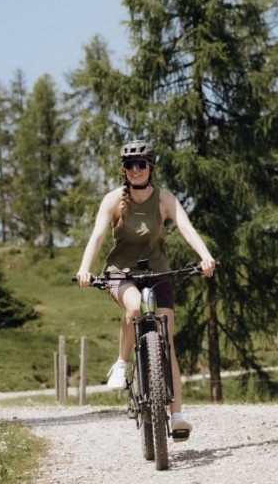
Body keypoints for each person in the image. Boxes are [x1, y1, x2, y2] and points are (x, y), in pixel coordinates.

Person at [76, 139, 216, 437]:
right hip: (120, 273)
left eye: (141, 164)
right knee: (136, 306)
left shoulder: (165, 199)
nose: (135, 170)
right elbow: (98, 236)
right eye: (130, 165)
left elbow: (187, 228)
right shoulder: (113, 200)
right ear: (123, 169)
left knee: (167, 340)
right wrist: (85, 269)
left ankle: (177, 415)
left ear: (150, 167)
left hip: (159, 271)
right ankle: (122, 363)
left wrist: (205, 257)